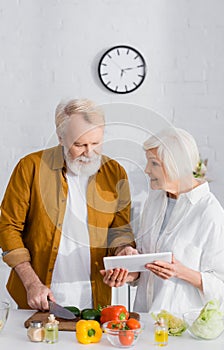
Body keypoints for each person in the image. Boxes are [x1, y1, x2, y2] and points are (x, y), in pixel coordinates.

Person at [0, 98, 135, 310]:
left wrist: (124, 252)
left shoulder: (115, 172)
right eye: (80, 145)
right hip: (38, 296)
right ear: (61, 137)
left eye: (96, 143)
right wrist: (31, 283)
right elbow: (8, 228)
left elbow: (120, 230)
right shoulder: (30, 167)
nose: (89, 152)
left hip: (94, 298)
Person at [102, 127, 224, 315]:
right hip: (144, 320)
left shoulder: (209, 212)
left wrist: (180, 271)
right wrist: (129, 272)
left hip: (181, 329)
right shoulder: (155, 201)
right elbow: (147, 266)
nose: (147, 170)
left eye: (154, 163)